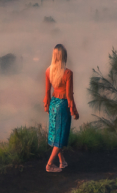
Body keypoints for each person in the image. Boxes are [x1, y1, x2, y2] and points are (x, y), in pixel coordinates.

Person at [43, 44, 79, 172]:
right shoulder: (68, 73)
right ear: (64, 57)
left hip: (53, 104)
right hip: (63, 106)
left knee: (56, 133)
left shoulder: (49, 71)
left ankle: (62, 161)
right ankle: (49, 165)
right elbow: (69, 96)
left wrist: (47, 105)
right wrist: (74, 111)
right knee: (61, 135)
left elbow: (47, 92)